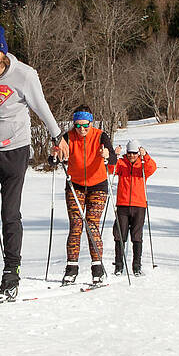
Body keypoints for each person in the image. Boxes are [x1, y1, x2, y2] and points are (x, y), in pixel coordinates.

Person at [0, 24, 65, 299]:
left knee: (10, 214)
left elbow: (41, 106)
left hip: (15, 150)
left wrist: (58, 136)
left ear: (3, 53)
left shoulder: (24, 76)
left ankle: (11, 273)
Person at [60, 107, 115, 284]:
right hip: (75, 185)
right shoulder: (68, 137)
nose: (81, 129)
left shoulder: (101, 136)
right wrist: (55, 155)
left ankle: (97, 267)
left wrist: (107, 154)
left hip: (98, 185)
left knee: (92, 224)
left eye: (85, 125)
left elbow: (113, 158)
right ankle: (71, 267)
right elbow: (54, 158)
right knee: (76, 225)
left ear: (91, 123)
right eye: (77, 125)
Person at [109, 139, 157, 276]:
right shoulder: (121, 163)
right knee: (119, 235)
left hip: (139, 205)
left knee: (136, 236)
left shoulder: (142, 164)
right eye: (129, 153)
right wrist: (114, 155)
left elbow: (152, 168)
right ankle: (118, 266)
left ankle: (136, 266)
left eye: (134, 153)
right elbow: (111, 169)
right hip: (123, 205)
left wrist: (145, 156)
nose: (131, 156)